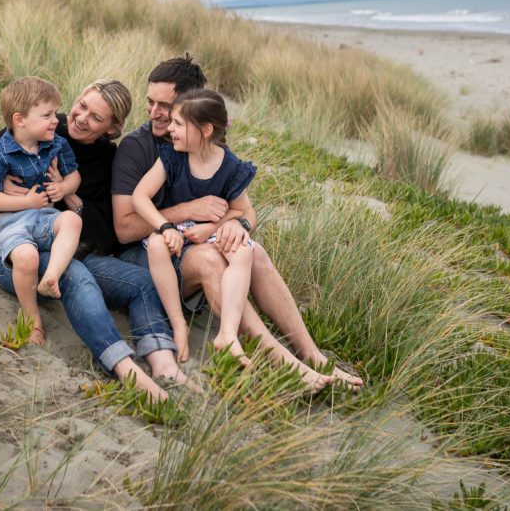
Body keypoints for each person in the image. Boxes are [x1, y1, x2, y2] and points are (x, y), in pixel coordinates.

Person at [112, 56, 364, 391]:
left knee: (252, 252)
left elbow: (246, 213)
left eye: (166, 107)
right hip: (146, 257)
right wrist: (187, 210)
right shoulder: (138, 147)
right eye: (150, 102)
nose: (155, 114)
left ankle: (312, 355)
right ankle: (282, 362)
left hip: (194, 241)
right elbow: (124, 229)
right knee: (209, 258)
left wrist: (235, 225)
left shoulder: (207, 148)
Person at [0, 78, 186, 403]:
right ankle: (124, 367)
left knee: (141, 283)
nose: (81, 118)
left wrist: (71, 196)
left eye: (95, 117)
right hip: (16, 251)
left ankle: (164, 363)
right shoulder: (44, 125)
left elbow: (107, 231)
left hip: (70, 243)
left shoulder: (107, 158)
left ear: (112, 128)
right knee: (74, 274)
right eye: (82, 106)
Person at [132, 89, 256, 364]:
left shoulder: (231, 166)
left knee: (244, 252)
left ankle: (228, 334)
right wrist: (165, 226)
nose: (170, 128)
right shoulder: (172, 157)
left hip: (209, 232)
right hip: (177, 229)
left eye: (178, 124)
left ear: (206, 130)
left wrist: (212, 229)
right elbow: (140, 196)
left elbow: (239, 210)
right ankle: (178, 323)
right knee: (156, 244)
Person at [0, 76, 83, 322]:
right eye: (47, 115)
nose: (56, 120)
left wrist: (63, 187)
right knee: (27, 257)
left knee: (72, 220)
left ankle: (51, 277)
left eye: (55, 113)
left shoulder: (56, 144)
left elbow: (74, 176)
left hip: (45, 217)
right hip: (10, 222)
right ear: (19, 120)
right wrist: (26, 203)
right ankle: (31, 316)